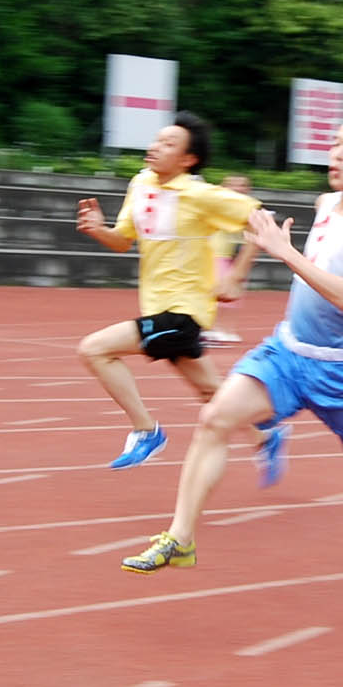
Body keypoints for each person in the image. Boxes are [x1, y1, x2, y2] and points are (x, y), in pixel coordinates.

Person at [121, 100, 343, 574]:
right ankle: (180, 537)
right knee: (214, 418)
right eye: (334, 142)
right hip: (288, 353)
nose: (335, 153)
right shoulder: (326, 203)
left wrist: (285, 252)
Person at [75, 112, 286, 475]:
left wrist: (236, 275)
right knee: (210, 392)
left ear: (188, 160)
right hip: (158, 306)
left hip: (183, 312)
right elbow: (124, 240)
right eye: (157, 140)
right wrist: (98, 230)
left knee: (94, 349)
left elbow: (262, 217)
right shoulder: (140, 184)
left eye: (169, 144)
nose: (156, 147)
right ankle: (265, 436)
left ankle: (146, 431)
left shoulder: (200, 194)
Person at [201, 174, 253, 347]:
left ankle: (225, 329)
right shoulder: (220, 206)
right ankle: (209, 328)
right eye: (232, 184)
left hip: (229, 254)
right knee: (216, 290)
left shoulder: (245, 208)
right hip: (214, 252)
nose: (237, 188)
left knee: (231, 293)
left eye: (241, 185)